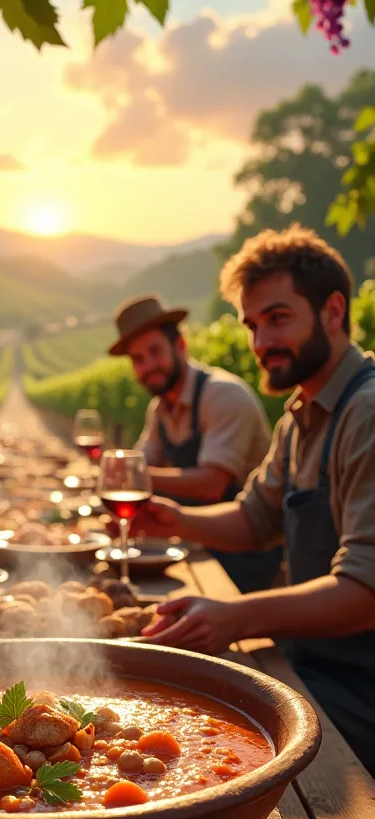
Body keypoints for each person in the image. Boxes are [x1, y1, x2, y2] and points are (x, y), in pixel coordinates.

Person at [139, 226, 375, 776]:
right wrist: (171, 518)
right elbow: (254, 518)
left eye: (278, 317)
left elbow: (365, 592)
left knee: (198, 743)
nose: (261, 342)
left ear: (333, 311)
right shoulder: (301, 414)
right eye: (251, 325)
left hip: (359, 687)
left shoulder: (365, 413)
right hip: (311, 659)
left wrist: (236, 616)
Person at [108, 293, 283, 593]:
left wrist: (130, 474)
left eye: (154, 352)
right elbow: (142, 462)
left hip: (244, 561)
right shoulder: (161, 409)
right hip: (196, 546)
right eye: (138, 360)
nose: (149, 365)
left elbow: (211, 483)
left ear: (181, 345)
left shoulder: (222, 395)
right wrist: (124, 477)